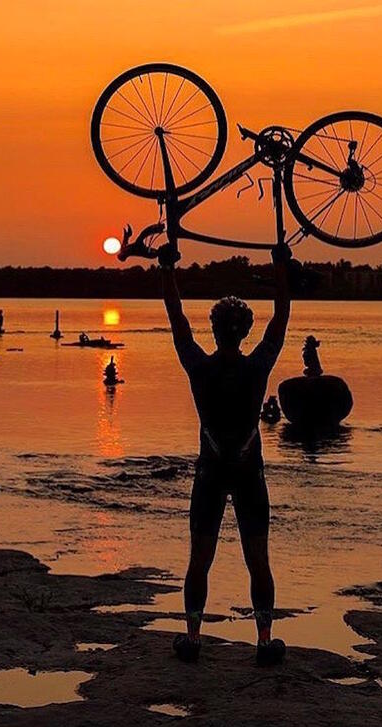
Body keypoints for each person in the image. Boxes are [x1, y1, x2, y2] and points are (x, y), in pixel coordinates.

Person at [159, 241, 292, 666]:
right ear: (243, 332)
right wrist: (281, 269)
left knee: (200, 558)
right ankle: (264, 640)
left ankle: (193, 637)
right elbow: (281, 319)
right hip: (248, 474)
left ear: (216, 332)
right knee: (258, 559)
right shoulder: (256, 368)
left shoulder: (201, 367)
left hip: (211, 475)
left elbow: (177, 320)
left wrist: (167, 270)